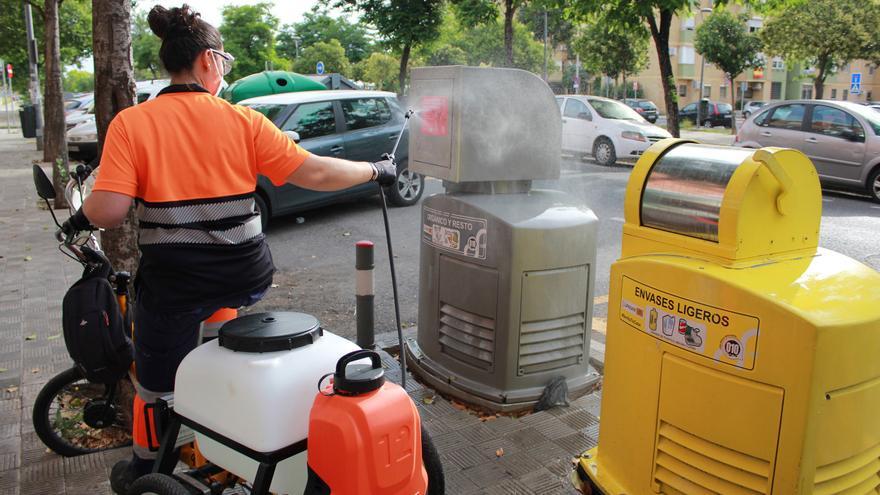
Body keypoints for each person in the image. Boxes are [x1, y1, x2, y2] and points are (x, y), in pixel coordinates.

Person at [58, 5, 398, 493]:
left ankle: (146, 468)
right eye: (226, 62)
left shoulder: (134, 124)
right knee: (217, 348)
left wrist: (78, 215)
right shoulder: (244, 122)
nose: (225, 71)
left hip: (174, 286)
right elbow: (318, 172)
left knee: (155, 384)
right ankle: (222, 435)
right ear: (207, 61)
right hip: (244, 276)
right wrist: (376, 171)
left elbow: (109, 210)